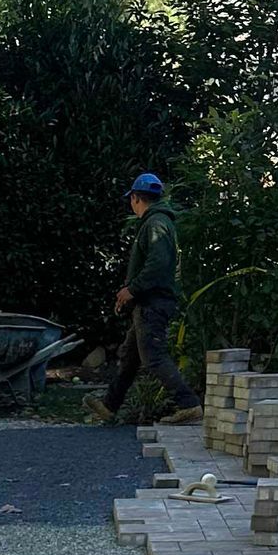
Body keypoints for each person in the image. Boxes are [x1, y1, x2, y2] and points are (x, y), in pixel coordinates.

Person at [89, 173, 200, 426]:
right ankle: (109, 406)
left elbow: (157, 264)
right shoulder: (157, 222)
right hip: (148, 300)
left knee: (153, 356)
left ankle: (189, 404)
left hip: (153, 302)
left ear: (136, 198)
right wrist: (131, 293)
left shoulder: (155, 223)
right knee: (130, 354)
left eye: (132, 200)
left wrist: (133, 289)